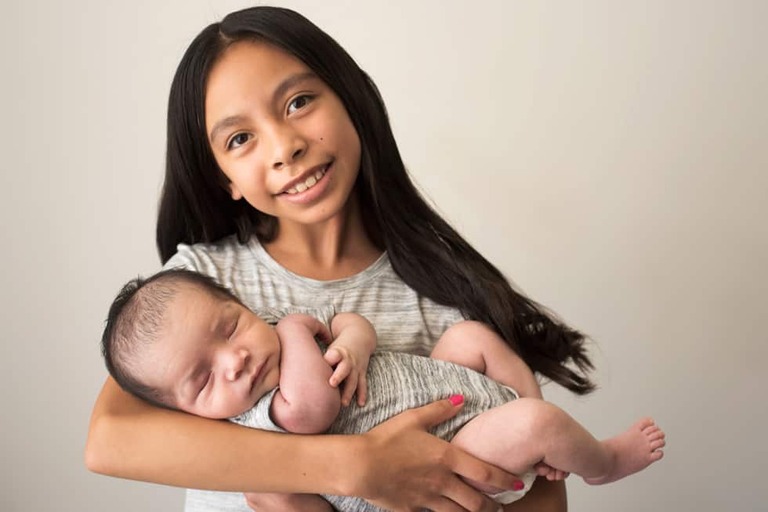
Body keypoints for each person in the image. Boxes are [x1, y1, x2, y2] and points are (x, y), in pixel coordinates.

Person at [86, 5, 611, 511]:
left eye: (298, 103)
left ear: (350, 96)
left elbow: (537, 477)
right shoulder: (199, 286)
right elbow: (110, 441)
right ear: (224, 178)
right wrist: (355, 466)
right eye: (241, 138)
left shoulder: (448, 301)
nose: (284, 146)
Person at [101, 269, 665, 511]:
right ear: (186, 412)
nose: (236, 360)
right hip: (452, 454)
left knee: (470, 336)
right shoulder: (262, 415)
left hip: (447, 391)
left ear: (237, 303)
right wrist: (298, 330)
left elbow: (351, 322)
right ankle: (602, 460)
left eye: (228, 328)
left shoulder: (270, 327)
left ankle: (536, 436)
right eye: (203, 380)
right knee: (535, 428)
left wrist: (354, 342)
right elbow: (316, 407)